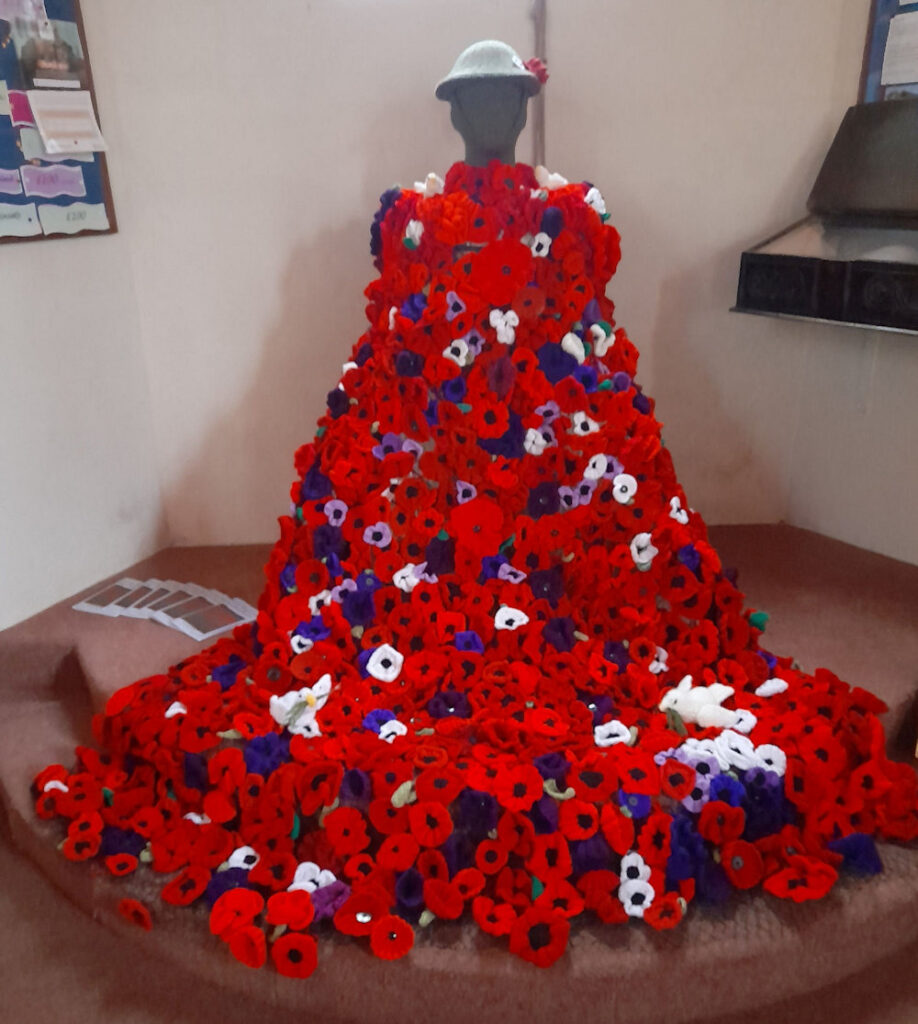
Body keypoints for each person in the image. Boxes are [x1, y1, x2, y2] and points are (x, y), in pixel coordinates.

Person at [33, 40, 918, 977]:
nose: (491, 116)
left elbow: (579, 332)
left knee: (634, 633)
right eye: (476, 100)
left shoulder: (568, 212)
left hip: (558, 463)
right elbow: (401, 345)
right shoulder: (417, 217)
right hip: (432, 462)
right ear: (454, 112)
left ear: (523, 107)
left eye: (507, 98)